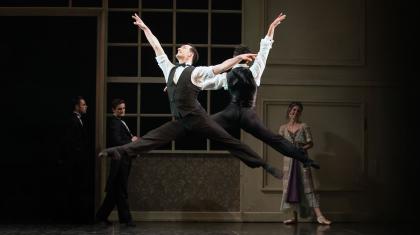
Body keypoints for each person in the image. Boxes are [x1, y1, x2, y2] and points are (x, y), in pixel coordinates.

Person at [98, 13, 283, 179]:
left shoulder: (197, 72)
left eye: (184, 47)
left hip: (197, 118)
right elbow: (156, 46)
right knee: (152, 138)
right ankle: (119, 151)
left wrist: (238, 59)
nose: (179, 48)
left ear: (191, 55)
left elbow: (219, 67)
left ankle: (265, 165)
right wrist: (146, 28)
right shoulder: (168, 69)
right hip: (180, 121)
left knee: (228, 141)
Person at [210, 13, 319, 169]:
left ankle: (255, 158)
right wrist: (271, 27)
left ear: (235, 59)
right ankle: (304, 159)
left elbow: (204, 83)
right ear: (248, 58)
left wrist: (181, 84)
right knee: (274, 139)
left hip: (232, 113)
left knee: (203, 125)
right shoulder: (254, 70)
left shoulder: (226, 76)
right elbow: (264, 49)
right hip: (248, 115)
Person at [278, 102, 331, 225]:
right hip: (288, 162)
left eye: (298, 111)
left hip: (302, 160)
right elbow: (279, 145)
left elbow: (310, 143)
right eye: (293, 109)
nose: (295, 112)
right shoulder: (282, 128)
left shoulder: (303, 126)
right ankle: (295, 217)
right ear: (289, 111)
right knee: (291, 187)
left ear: (300, 113)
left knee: (308, 187)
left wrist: (302, 149)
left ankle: (320, 216)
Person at [96, 99, 138, 227]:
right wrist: (132, 140)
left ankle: (101, 217)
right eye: (119, 109)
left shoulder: (119, 122)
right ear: (113, 110)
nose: (122, 110)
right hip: (120, 161)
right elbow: (116, 141)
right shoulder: (115, 123)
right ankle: (126, 219)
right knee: (120, 190)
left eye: (124, 108)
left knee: (115, 191)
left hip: (122, 160)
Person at [63, 96, 92, 223]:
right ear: (77, 107)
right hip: (76, 161)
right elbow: (72, 142)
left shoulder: (79, 120)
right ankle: (74, 216)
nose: (86, 106)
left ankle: (78, 216)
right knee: (76, 187)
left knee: (80, 187)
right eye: (83, 104)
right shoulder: (73, 120)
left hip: (80, 160)